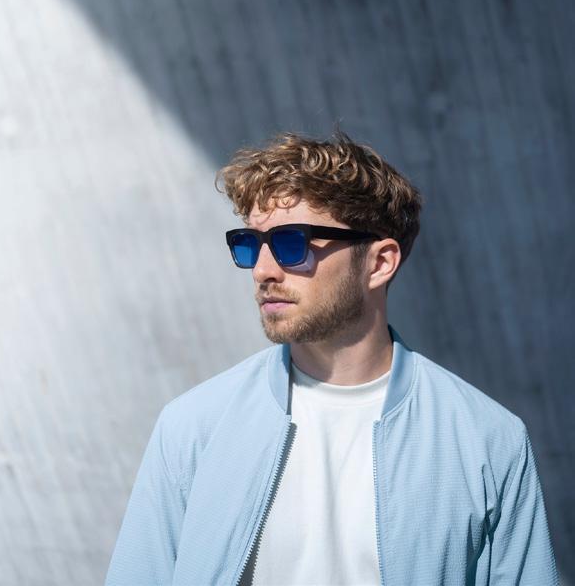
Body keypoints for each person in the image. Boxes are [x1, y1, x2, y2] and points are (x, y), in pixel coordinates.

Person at [105, 130, 558, 585]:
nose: (263, 270)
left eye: (291, 244)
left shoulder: (486, 441)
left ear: (379, 263)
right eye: (251, 244)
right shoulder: (193, 428)